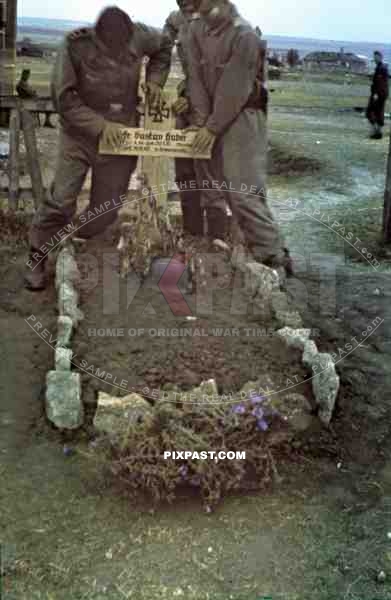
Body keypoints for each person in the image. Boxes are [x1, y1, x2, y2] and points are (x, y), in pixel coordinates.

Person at [25, 6, 171, 290]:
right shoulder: (74, 44)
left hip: (120, 136)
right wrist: (102, 126)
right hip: (80, 134)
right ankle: (37, 257)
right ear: (98, 37)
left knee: (106, 210)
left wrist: (154, 82)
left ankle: (68, 239)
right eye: (111, 49)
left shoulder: (140, 35)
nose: (118, 55)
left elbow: (165, 45)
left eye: (123, 48)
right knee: (61, 199)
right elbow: (64, 100)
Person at [187, 0, 291, 271]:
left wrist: (211, 128)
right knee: (219, 186)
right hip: (212, 116)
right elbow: (195, 78)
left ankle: (274, 256)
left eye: (208, 8)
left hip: (243, 115)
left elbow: (235, 88)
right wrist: (201, 122)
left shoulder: (244, 35)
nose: (202, 14)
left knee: (243, 191)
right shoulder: (197, 29)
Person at [366, 51, 389, 140]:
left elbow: (380, 83)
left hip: (379, 93)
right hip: (383, 93)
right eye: (374, 57)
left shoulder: (381, 68)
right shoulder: (382, 67)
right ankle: (378, 132)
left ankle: (376, 131)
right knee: (379, 112)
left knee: (370, 112)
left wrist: (376, 93)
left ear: (380, 57)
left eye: (376, 57)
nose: (374, 59)